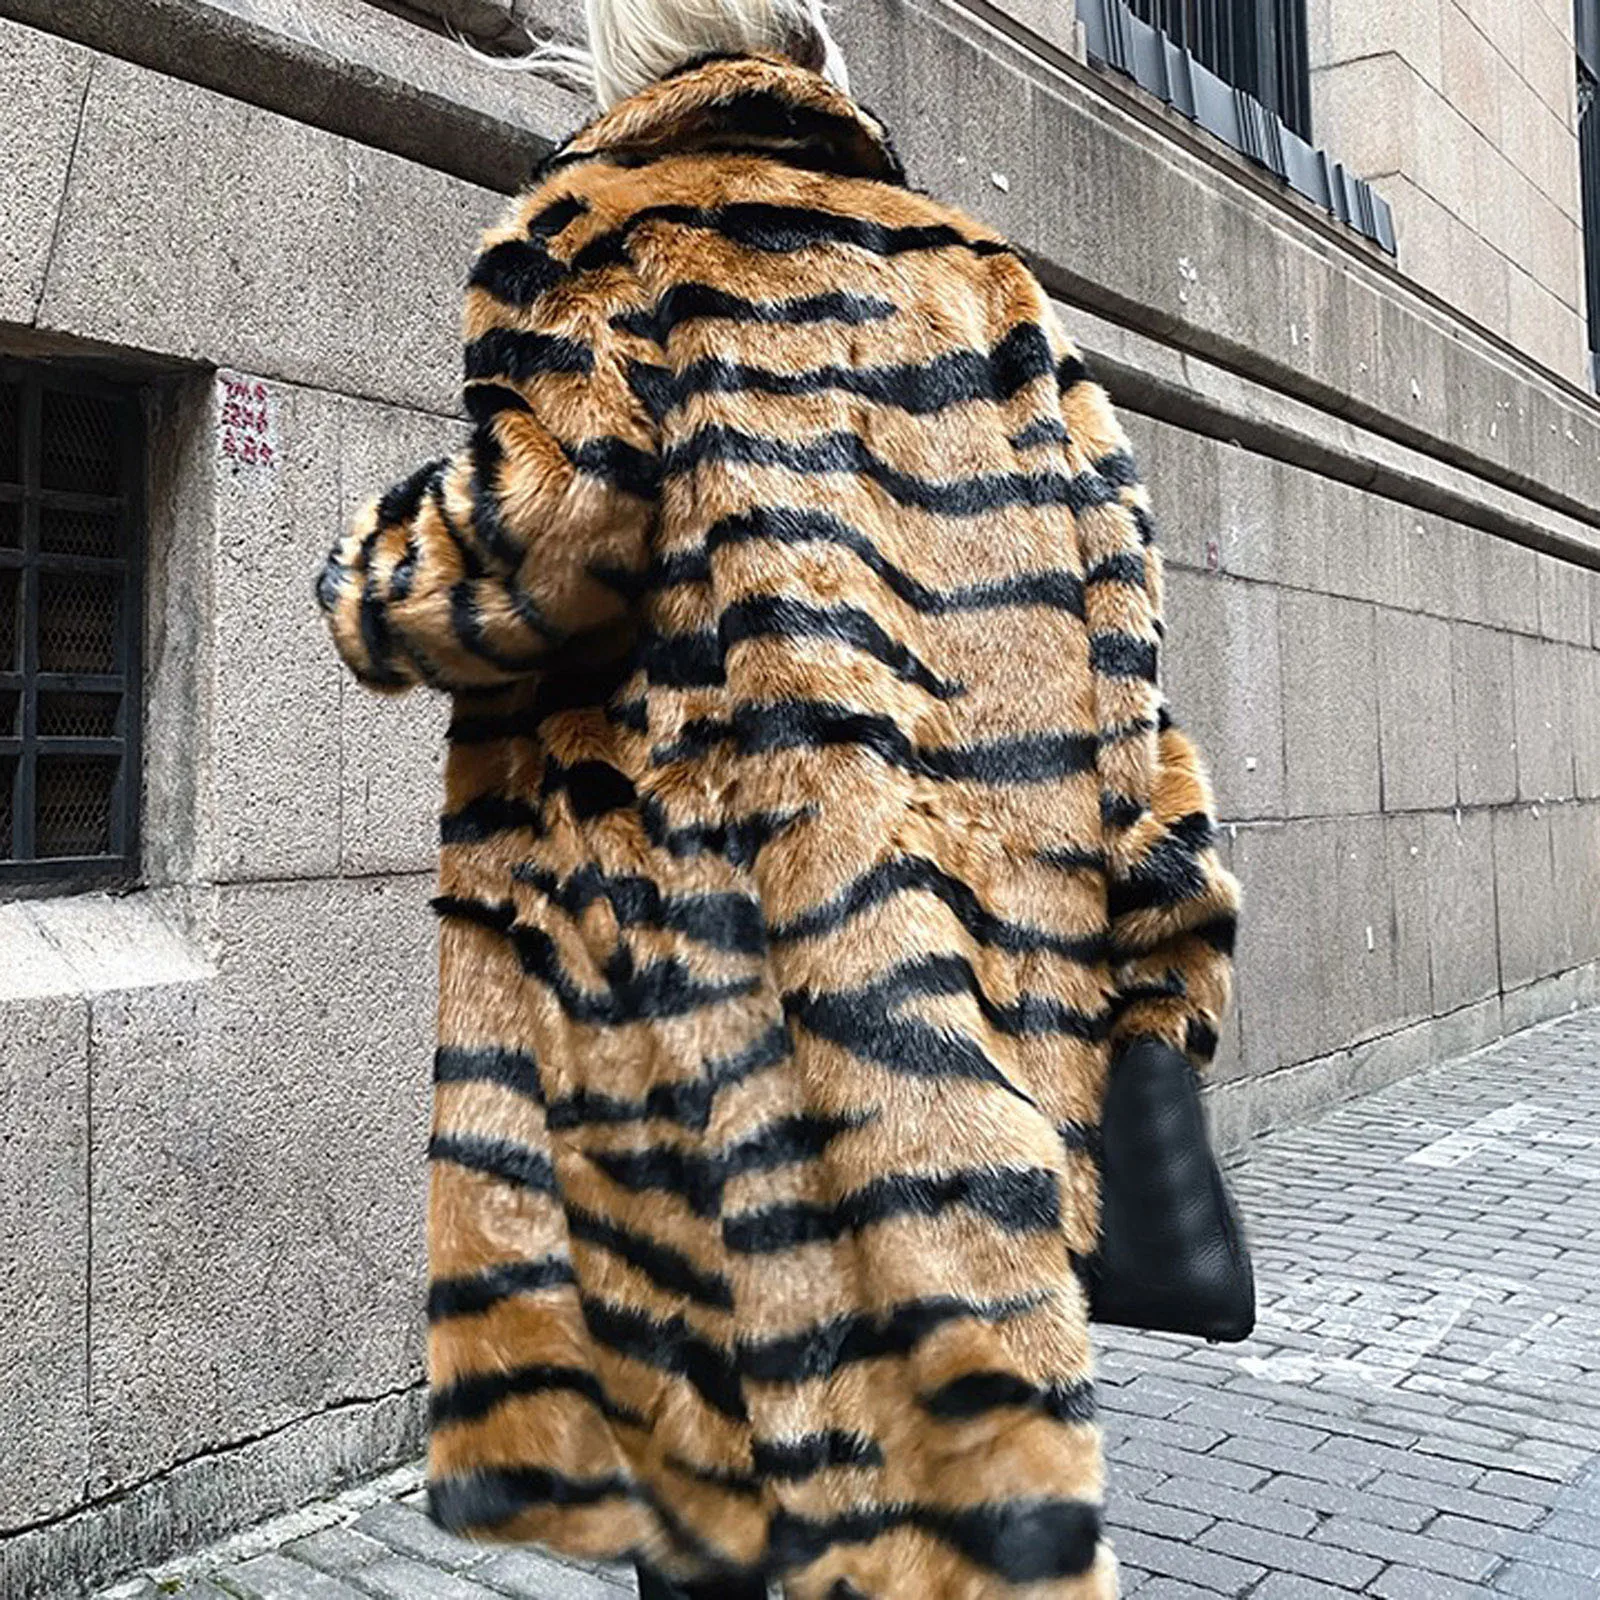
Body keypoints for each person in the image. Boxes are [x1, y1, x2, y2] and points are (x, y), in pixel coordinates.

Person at [315, 0, 1239, 1593]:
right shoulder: (984, 286)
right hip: (969, 1083)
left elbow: (541, 543)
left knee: (738, 1531)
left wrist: (367, 572)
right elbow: (1129, 701)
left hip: (711, 1084)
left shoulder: (603, 246)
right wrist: (1158, 1002)